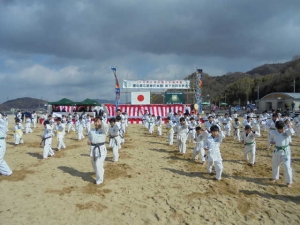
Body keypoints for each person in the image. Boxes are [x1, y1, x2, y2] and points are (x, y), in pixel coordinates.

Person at [269, 121, 294, 187]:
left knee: (287, 167)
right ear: (276, 128)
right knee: (275, 165)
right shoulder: (273, 132)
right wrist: (272, 142)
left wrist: (289, 127)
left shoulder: (287, 132)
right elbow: (270, 139)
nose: (281, 130)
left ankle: (289, 182)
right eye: (279, 129)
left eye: (282, 129)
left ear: (283, 127)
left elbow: (291, 132)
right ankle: (274, 177)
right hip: (277, 150)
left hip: (285, 151)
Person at [87, 117, 107, 185]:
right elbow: (89, 138)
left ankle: (99, 181)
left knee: (98, 164)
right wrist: (89, 141)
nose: (96, 123)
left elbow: (105, 125)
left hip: (101, 149)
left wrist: (101, 120)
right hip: (93, 148)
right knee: (94, 163)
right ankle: (100, 171)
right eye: (95, 122)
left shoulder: (104, 130)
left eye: (98, 122)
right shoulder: (91, 131)